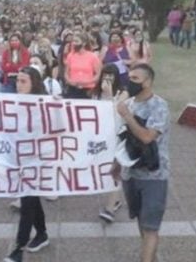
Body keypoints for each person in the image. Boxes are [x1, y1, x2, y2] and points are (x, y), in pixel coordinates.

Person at [111, 64, 170, 262]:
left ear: (148, 81)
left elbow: (147, 137)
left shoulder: (159, 105)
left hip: (153, 176)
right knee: (141, 221)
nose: (130, 83)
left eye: (135, 79)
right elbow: (123, 137)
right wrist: (116, 163)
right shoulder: (129, 104)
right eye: (129, 78)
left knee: (150, 226)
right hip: (131, 174)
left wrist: (127, 116)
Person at [3, 66, 51, 262]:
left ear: (34, 84)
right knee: (31, 199)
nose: (19, 85)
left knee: (27, 201)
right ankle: (42, 233)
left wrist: (56, 106)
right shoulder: (14, 103)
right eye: (17, 81)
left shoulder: (45, 105)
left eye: (24, 82)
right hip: (20, 159)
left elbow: (58, 126)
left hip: (38, 161)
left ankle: (18, 248)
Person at [95, 64, 125, 223]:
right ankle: (116, 199)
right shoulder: (96, 93)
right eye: (105, 75)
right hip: (102, 137)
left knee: (116, 169)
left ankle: (109, 207)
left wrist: (110, 95)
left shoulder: (123, 92)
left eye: (110, 75)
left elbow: (117, 112)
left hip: (118, 135)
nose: (107, 78)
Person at [64, 33, 101, 99]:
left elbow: (98, 75)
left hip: (88, 89)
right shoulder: (70, 56)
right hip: (73, 89)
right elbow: (66, 73)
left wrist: (86, 82)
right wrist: (70, 81)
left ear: (83, 43)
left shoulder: (92, 56)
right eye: (73, 41)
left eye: (76, 41)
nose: (74, 43)